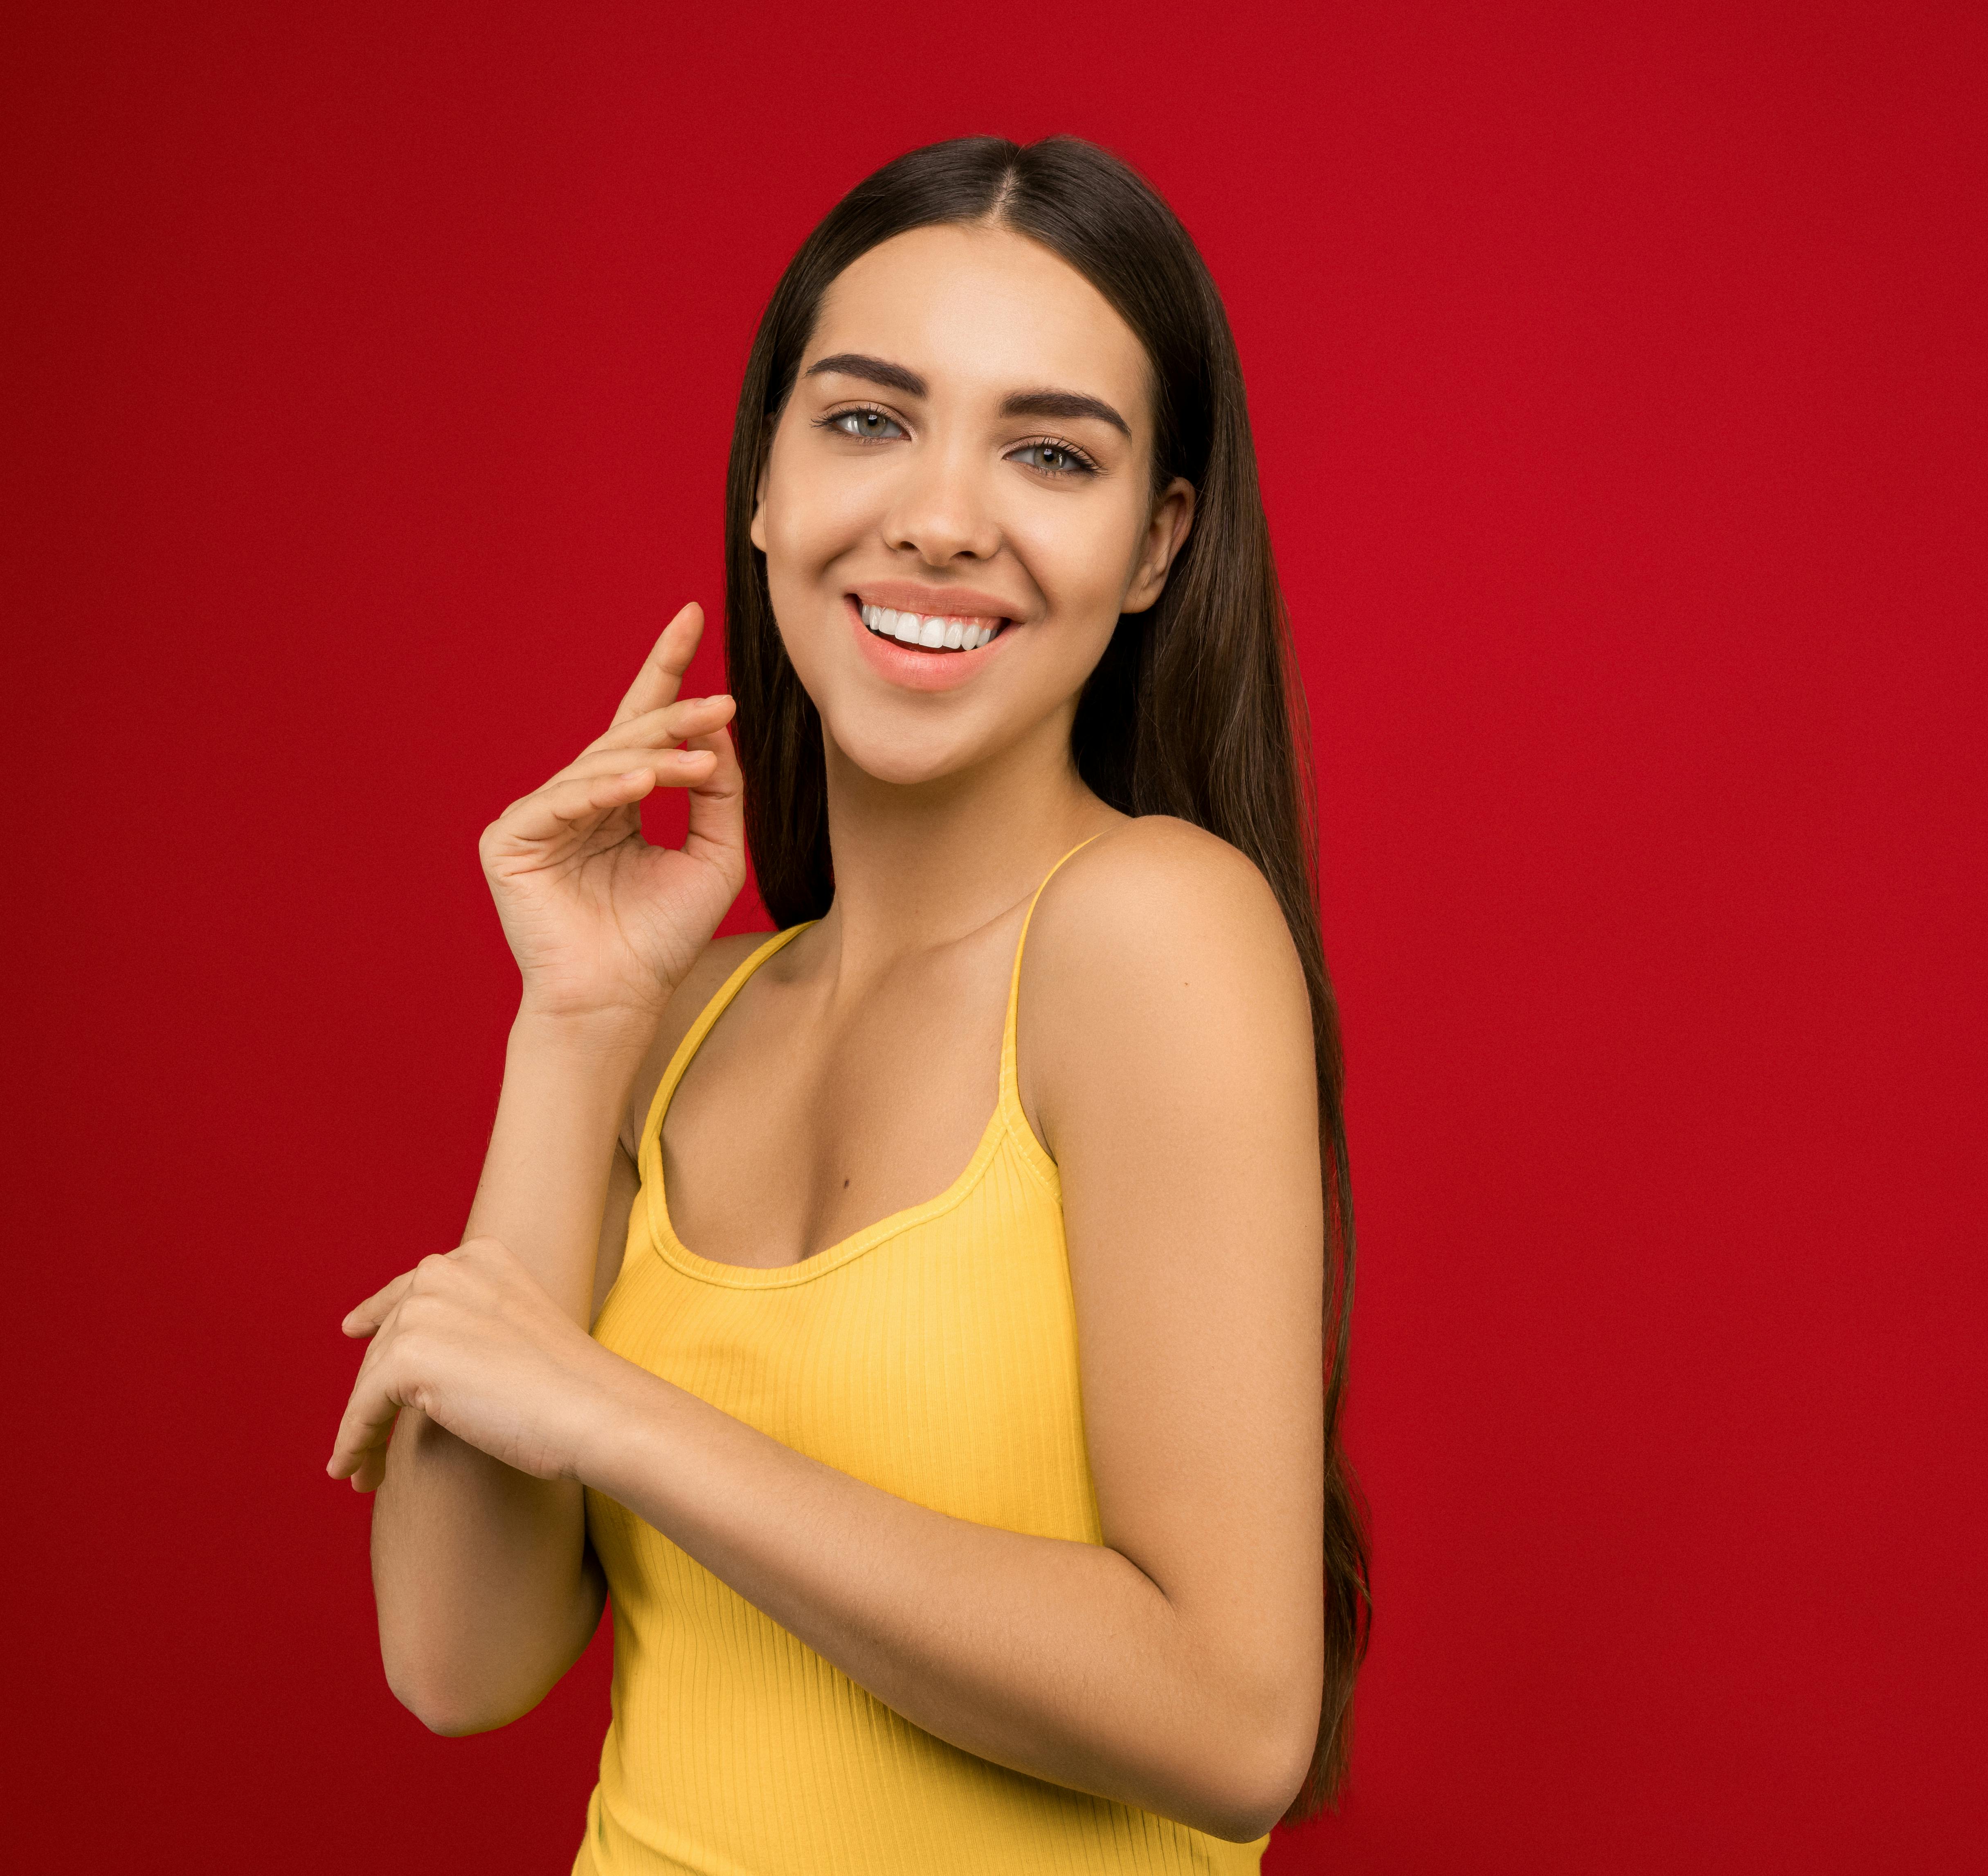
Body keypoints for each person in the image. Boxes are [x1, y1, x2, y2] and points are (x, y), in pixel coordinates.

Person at [324, 135, 1366, 1872]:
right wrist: (574, 1025)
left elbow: (1233, 1718)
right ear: (765, 483)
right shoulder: (675, 1017)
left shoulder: (1153, 933)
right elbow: (455, 1659)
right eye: (869, 419)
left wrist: (619, 1418)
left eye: (1050, 451)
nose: (941, 515)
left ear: (1155, 545)